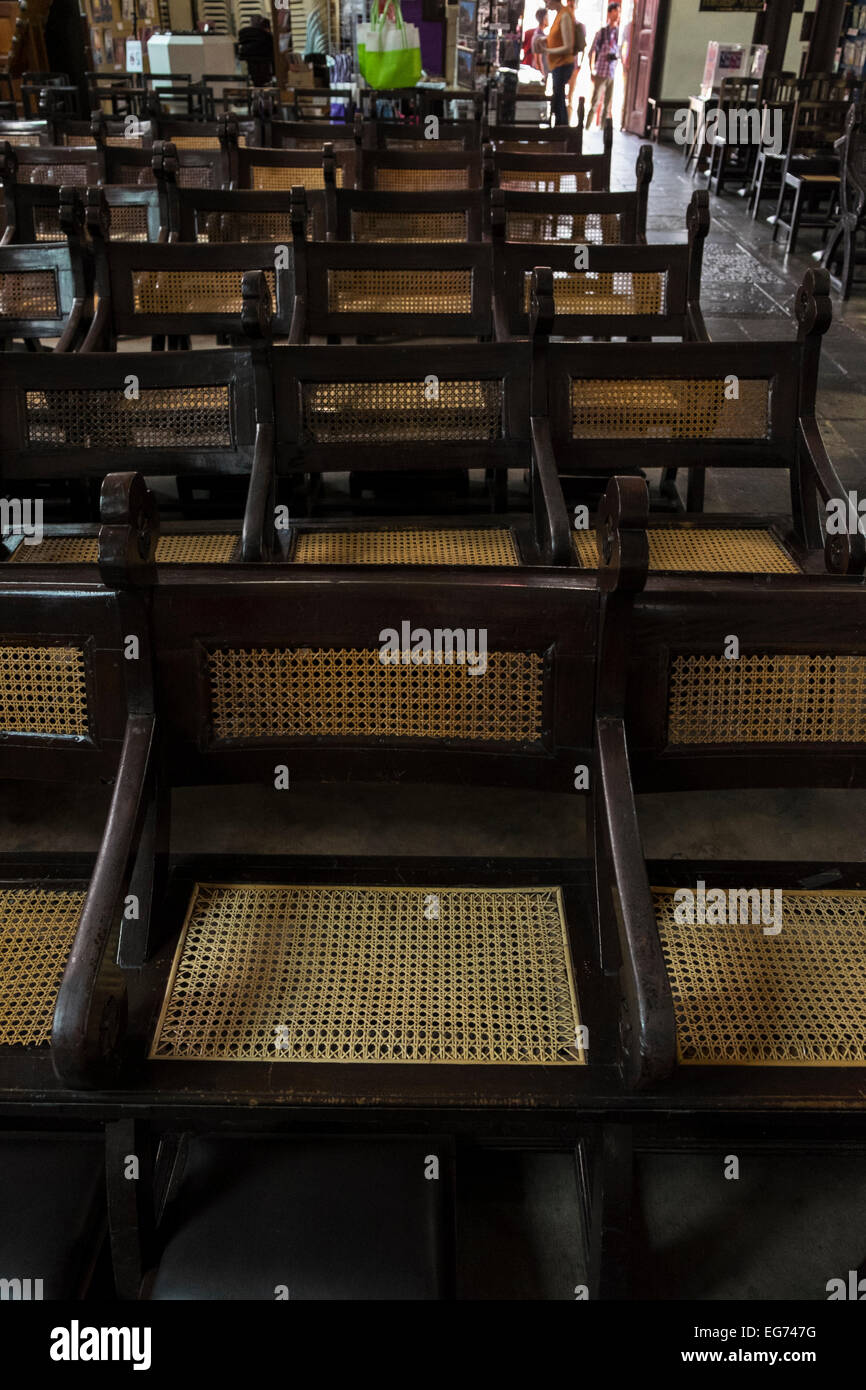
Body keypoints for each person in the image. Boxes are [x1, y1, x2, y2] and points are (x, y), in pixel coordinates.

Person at [586, 1, 620, 130]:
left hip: (611, 71)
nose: (617, 14)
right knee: (595, 102)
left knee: (608, 104)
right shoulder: (602, 32)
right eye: (615, 11)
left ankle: (602, 130)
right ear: (609, 13)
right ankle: (587, 128)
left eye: (619, 12)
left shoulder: (618, 32)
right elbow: (592, 51)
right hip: (601, 71)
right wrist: (591, 70)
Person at [543, 0, 577, 127]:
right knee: (557, 98)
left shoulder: (565, 15)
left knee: (559, 99)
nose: (546, 4)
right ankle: (559, 129)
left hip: (563, 64)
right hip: (557, 64)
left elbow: (568, 47)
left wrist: (547, 50)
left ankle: (562, 130)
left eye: (547, 1)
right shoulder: (560, 14)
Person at [238, 14, 274, 88]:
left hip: (247, 69)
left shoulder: (244, 34)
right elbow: (272, 53)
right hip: (264, 69)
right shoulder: (267, 36)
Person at [565, 1, 587, 121]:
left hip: (572, 64)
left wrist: (579, 66)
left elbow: (583, 48)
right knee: (564, 94)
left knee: (570, 95)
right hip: (565, 63)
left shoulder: (578, 26)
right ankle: (563, 120)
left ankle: (567, 120)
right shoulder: (564, 23)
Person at [522, 7, 548, 74]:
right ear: (544, 19)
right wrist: (543, 74)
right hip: (536, 68)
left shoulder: (528, 32)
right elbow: (538, 60)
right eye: (548, 17)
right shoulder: (540, 36)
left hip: (527, 65)